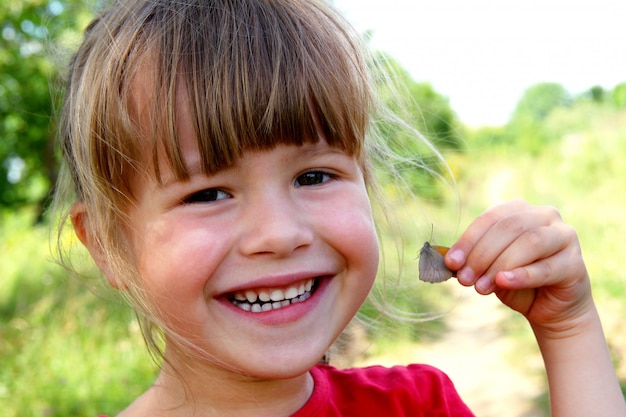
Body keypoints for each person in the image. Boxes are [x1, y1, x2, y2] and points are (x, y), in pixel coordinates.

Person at [54, 0, 626, 415]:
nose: (278, 234)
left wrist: (568, 329)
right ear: (108, 243)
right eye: (208, 193)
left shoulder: (417, 407)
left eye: (314, 176)